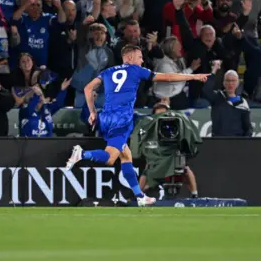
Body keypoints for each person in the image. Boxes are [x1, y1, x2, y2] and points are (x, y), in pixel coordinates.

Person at [64, 45, 209, 207]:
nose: (141, 61)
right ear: (130, 58)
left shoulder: (108, 71)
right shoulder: (135, 70)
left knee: (126, 156)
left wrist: (92, 112)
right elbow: (167, 77)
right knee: (110, 158)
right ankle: (82, 154)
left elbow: (87, 88)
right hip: (122, 119)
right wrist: (193, 77)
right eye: (140, 57)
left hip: (106, 117)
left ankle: (140, 196)